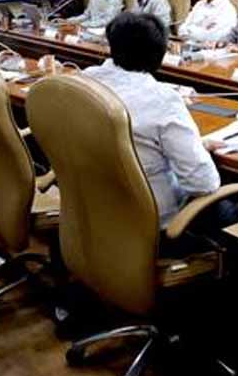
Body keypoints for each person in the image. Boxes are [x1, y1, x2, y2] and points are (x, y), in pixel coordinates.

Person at [83, 13, 222, 228]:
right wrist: (196, 148)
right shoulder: (163, 100)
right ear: (160, 55)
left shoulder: (83, 81)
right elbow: (203, 183)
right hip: (150, 219)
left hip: (91, 207)